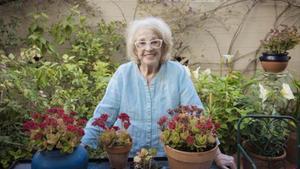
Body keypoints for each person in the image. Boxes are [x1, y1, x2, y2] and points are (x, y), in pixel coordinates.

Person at [81, 17, 237, 169]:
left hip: (168, 159)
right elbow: (103, 115)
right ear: (135, 48)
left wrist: (216, 154)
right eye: (142, 42)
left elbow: (196, 115)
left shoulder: (177, 72)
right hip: (128, 159)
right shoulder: (123, 74)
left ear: (163, 46)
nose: (148, 48)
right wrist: (82, 145)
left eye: (155, 42)